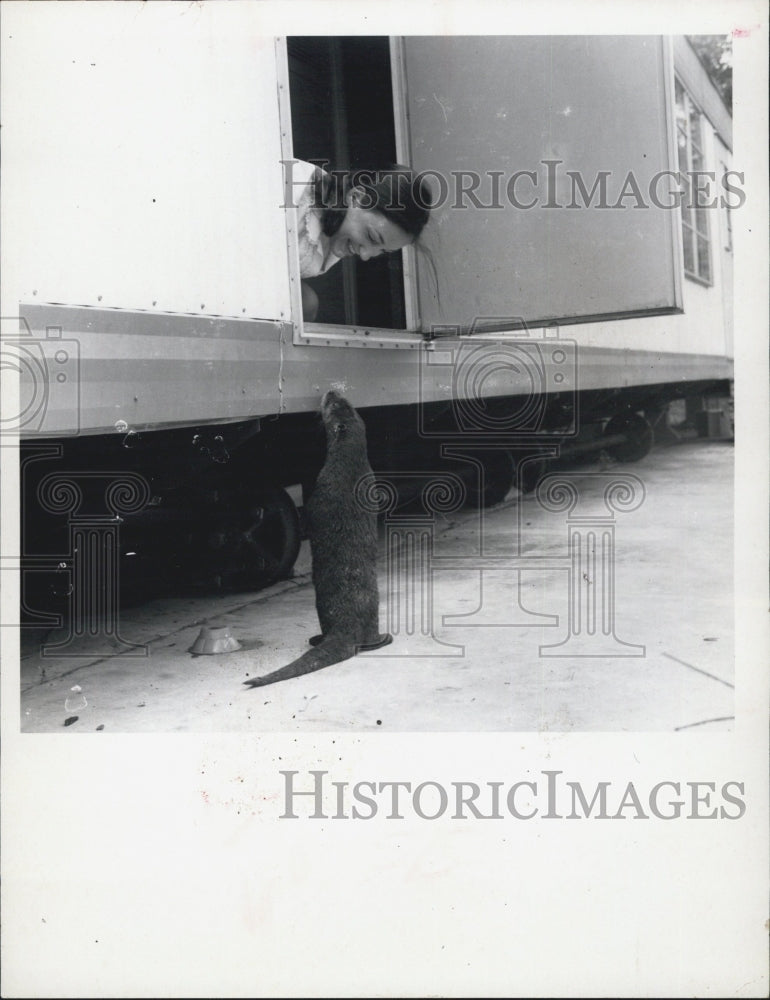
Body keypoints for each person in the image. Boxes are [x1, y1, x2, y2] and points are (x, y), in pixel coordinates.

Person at [290, 160, 434, 321]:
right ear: (355, 197)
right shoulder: (295, 187)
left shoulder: (336, 243)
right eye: (372, 237)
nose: (365, 256)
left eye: (383, 251)